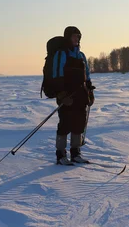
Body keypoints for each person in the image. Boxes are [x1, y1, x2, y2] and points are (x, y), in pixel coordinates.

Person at [53, 26, 95, 165]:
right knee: (65, 124)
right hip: (67, 96)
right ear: (68, 38)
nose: (77, 39)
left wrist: (89, 91)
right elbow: (57, 75)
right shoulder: (61, 54)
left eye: (78, 36)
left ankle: (76, 152)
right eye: (74, 36)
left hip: (80, 95)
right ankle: (61, 155)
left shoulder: (81, 55)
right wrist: (61, 94)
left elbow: (86, 75)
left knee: (79, 123)